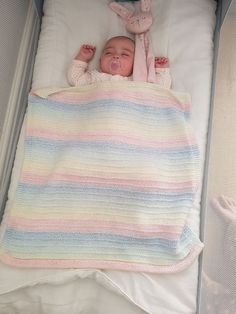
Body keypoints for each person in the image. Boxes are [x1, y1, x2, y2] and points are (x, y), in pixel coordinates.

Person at [68, 35, 171, 88]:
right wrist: (82, 58)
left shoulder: (137, 80)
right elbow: (75, 79)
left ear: (135, 64)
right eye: (109, 53)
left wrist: (161, 70)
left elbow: (161, 88)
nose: (116, 56)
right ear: (100, 61)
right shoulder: (95, 78)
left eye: (124, 54)